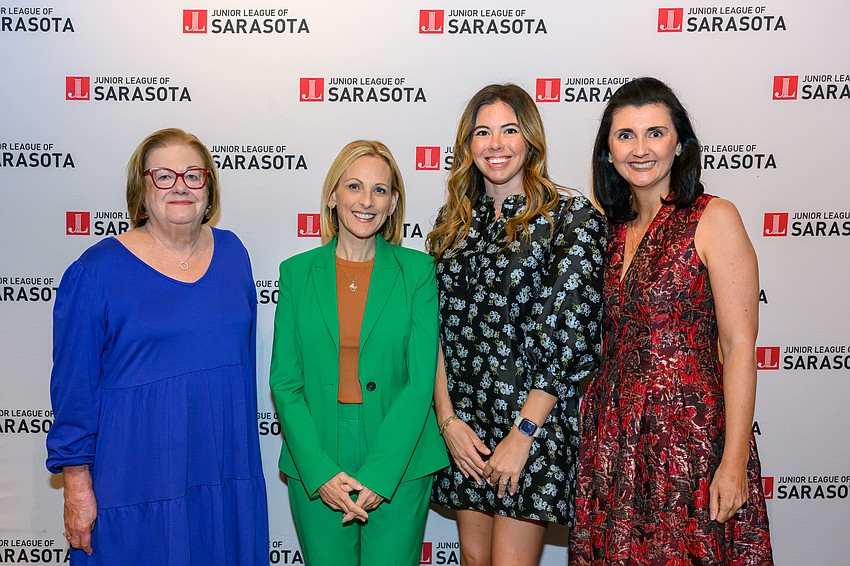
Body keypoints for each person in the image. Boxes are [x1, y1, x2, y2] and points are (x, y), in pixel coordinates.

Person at [569, 77, 773, 564]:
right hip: (613, 437)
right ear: (607, 151)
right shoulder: (606, 230)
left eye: (655, 133)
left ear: (679, 143)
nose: (641, 149)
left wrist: (734, 461)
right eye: (625, 136)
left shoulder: (713, 216)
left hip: (689, 440)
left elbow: (740, 345)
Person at [45, 128, 269, 565]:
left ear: (210, 188)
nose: (180, 185)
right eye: (163, 176)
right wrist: (76, 482)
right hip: (134, 477)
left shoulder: (233, 254)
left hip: (222, 469)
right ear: (141, 190)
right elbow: (74, 386)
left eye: (193, 175)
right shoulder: (96, 271)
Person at [427, 83, 606, 566]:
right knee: (473, 559)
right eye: (482, 132)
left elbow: (571, 340)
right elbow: (433, 336)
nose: (496, 144)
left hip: (532, 429)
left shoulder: (570, 219)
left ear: (530, 139)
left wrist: (522, 434)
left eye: (509, 130)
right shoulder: (452, 225)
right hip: (466, 433)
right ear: (468, 145)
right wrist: (448, 423)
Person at [269, 140, 448, 566]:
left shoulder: (417, 272)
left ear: (392, 203)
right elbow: (285, 382)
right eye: (354, 187)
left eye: (380, 190)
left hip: (400, 454)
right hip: (316, 451)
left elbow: (421, 379)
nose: (366, 201)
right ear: (333, 196)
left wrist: (382, 472)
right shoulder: (295, 272)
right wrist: (320, 472)